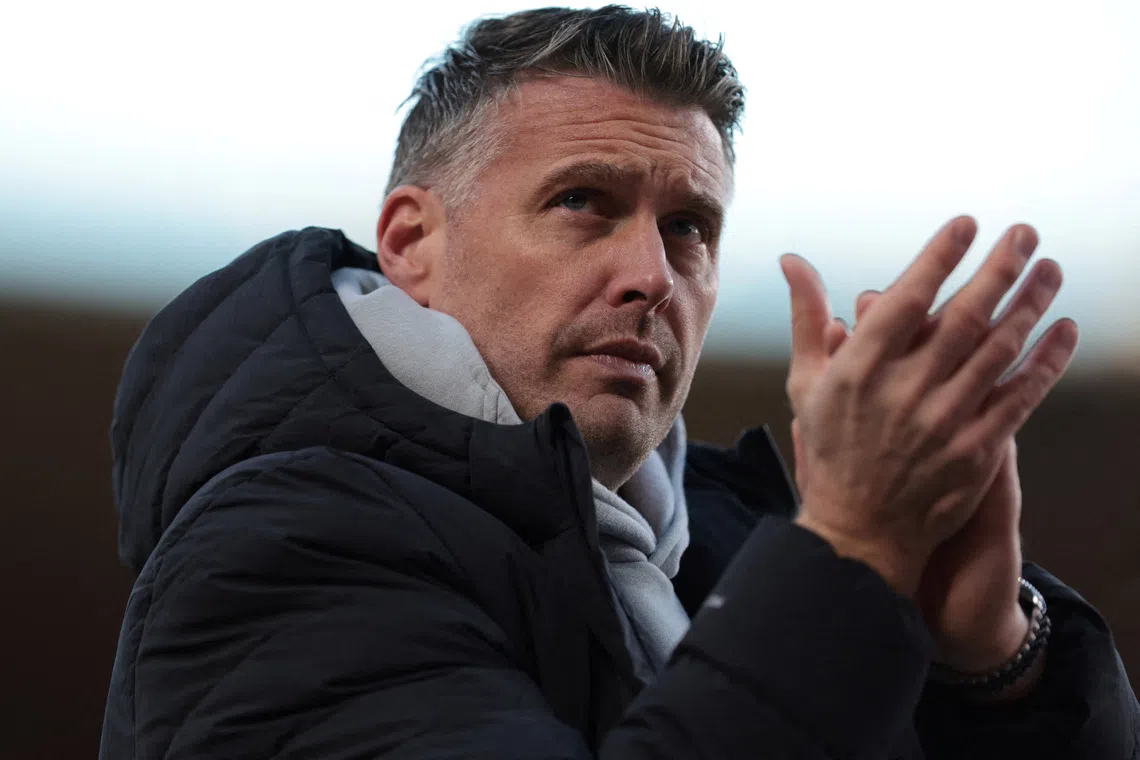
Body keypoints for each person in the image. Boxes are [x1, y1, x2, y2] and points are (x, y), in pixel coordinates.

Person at [100, 6, 1138, 758]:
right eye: (585, 202)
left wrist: (992, 659)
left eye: (689, 227)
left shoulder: (749, 543)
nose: (652, 275)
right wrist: (854, 549)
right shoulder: (277, 552)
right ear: (412, 242)